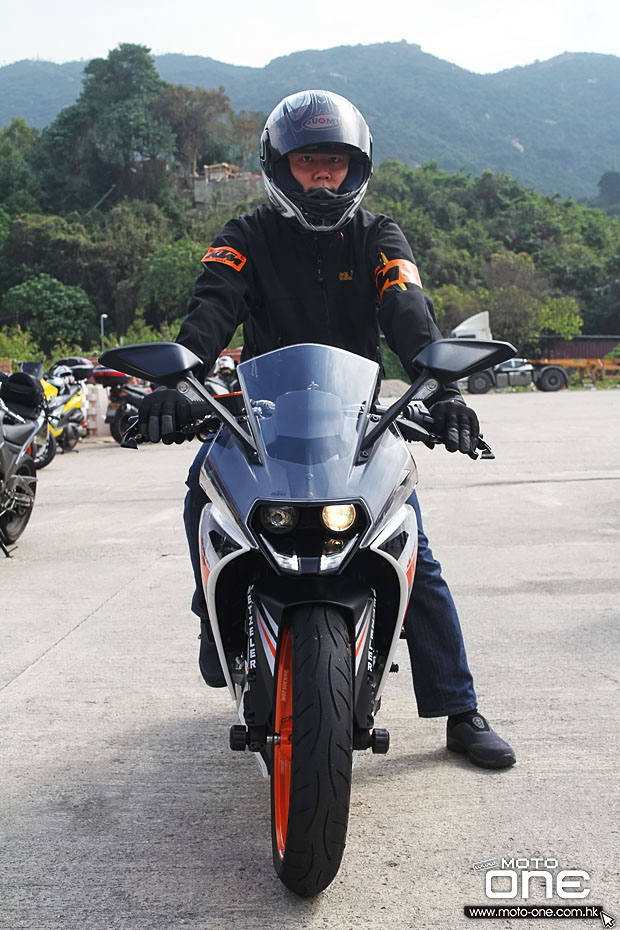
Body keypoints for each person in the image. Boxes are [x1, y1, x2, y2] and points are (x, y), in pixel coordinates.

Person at [139, 90, 516, 770]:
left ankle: (460, 710)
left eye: (335, 163)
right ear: (280, 167)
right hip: (263, 416)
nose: (322, 176)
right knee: (203, 495)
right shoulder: (244, 236)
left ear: (356, 168)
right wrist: (175, 380)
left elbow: (409, 314)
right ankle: (213, 616)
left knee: (410, 547)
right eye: (308, 161)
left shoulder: (379, 237)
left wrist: (445, 391)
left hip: (357, 420)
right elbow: (210, 308)